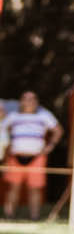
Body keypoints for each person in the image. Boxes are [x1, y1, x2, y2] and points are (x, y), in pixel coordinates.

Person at [3, 90, 63, 220]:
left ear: (37, 102)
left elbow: (58, 130)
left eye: (32, 99)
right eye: (26, 98)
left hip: (37, 158)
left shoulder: (44, 116)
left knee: (35, 188)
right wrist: (7, 145)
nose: (29, 102)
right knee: (13, 188)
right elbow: (3, 129)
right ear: (21, 101)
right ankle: (9, 216)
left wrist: (50, 146)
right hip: (15, 157)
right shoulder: (13, 116)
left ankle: (34, 217)